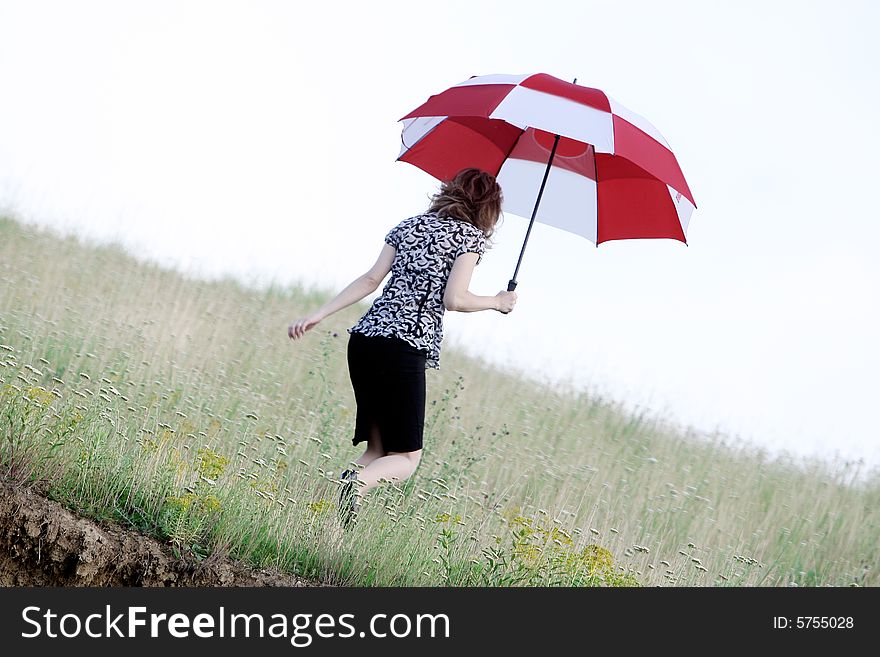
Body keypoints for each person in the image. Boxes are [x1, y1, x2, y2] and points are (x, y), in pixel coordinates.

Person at [288, 168, 517, 527]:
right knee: (407, 459)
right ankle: (355, 485)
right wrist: (497, 301)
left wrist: (320, 313)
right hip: (403, 347)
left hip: (364, 340)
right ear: (488, 208)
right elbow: (455, 299)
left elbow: (370, 279)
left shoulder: (409, 225)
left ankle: (327, 525)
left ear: (449, 191)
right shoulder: (468, 238)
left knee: (377, 450)